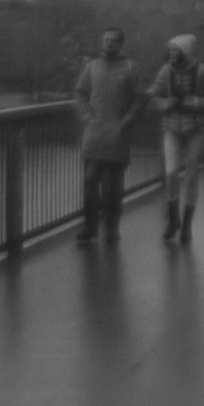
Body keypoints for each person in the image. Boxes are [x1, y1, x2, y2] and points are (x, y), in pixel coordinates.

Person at [74, 26, 148, 245]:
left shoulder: (131, 68)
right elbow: (80, 93)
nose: (109, 44)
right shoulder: (92, 66)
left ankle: (111, 227)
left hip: (118, 133)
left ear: (121, 44)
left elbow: (141, 98)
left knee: (114, 186)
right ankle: (90, 226)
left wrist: (126, 121)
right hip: (94, 133)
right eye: (106, 40)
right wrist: (88, 118)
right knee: (90, 181)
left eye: (114, 40)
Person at [150, 34, 204, 244]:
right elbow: (156, 94)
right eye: (170, 51)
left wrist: (198, 102)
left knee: (191, 176)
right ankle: (173, 219)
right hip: (171, 127)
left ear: (186, 53)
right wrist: (164, 104)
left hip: (196, 129)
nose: (171, 55)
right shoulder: (165, 71)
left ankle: (187, 224)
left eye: (175, 51)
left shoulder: (203, 72)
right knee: (171, 172)